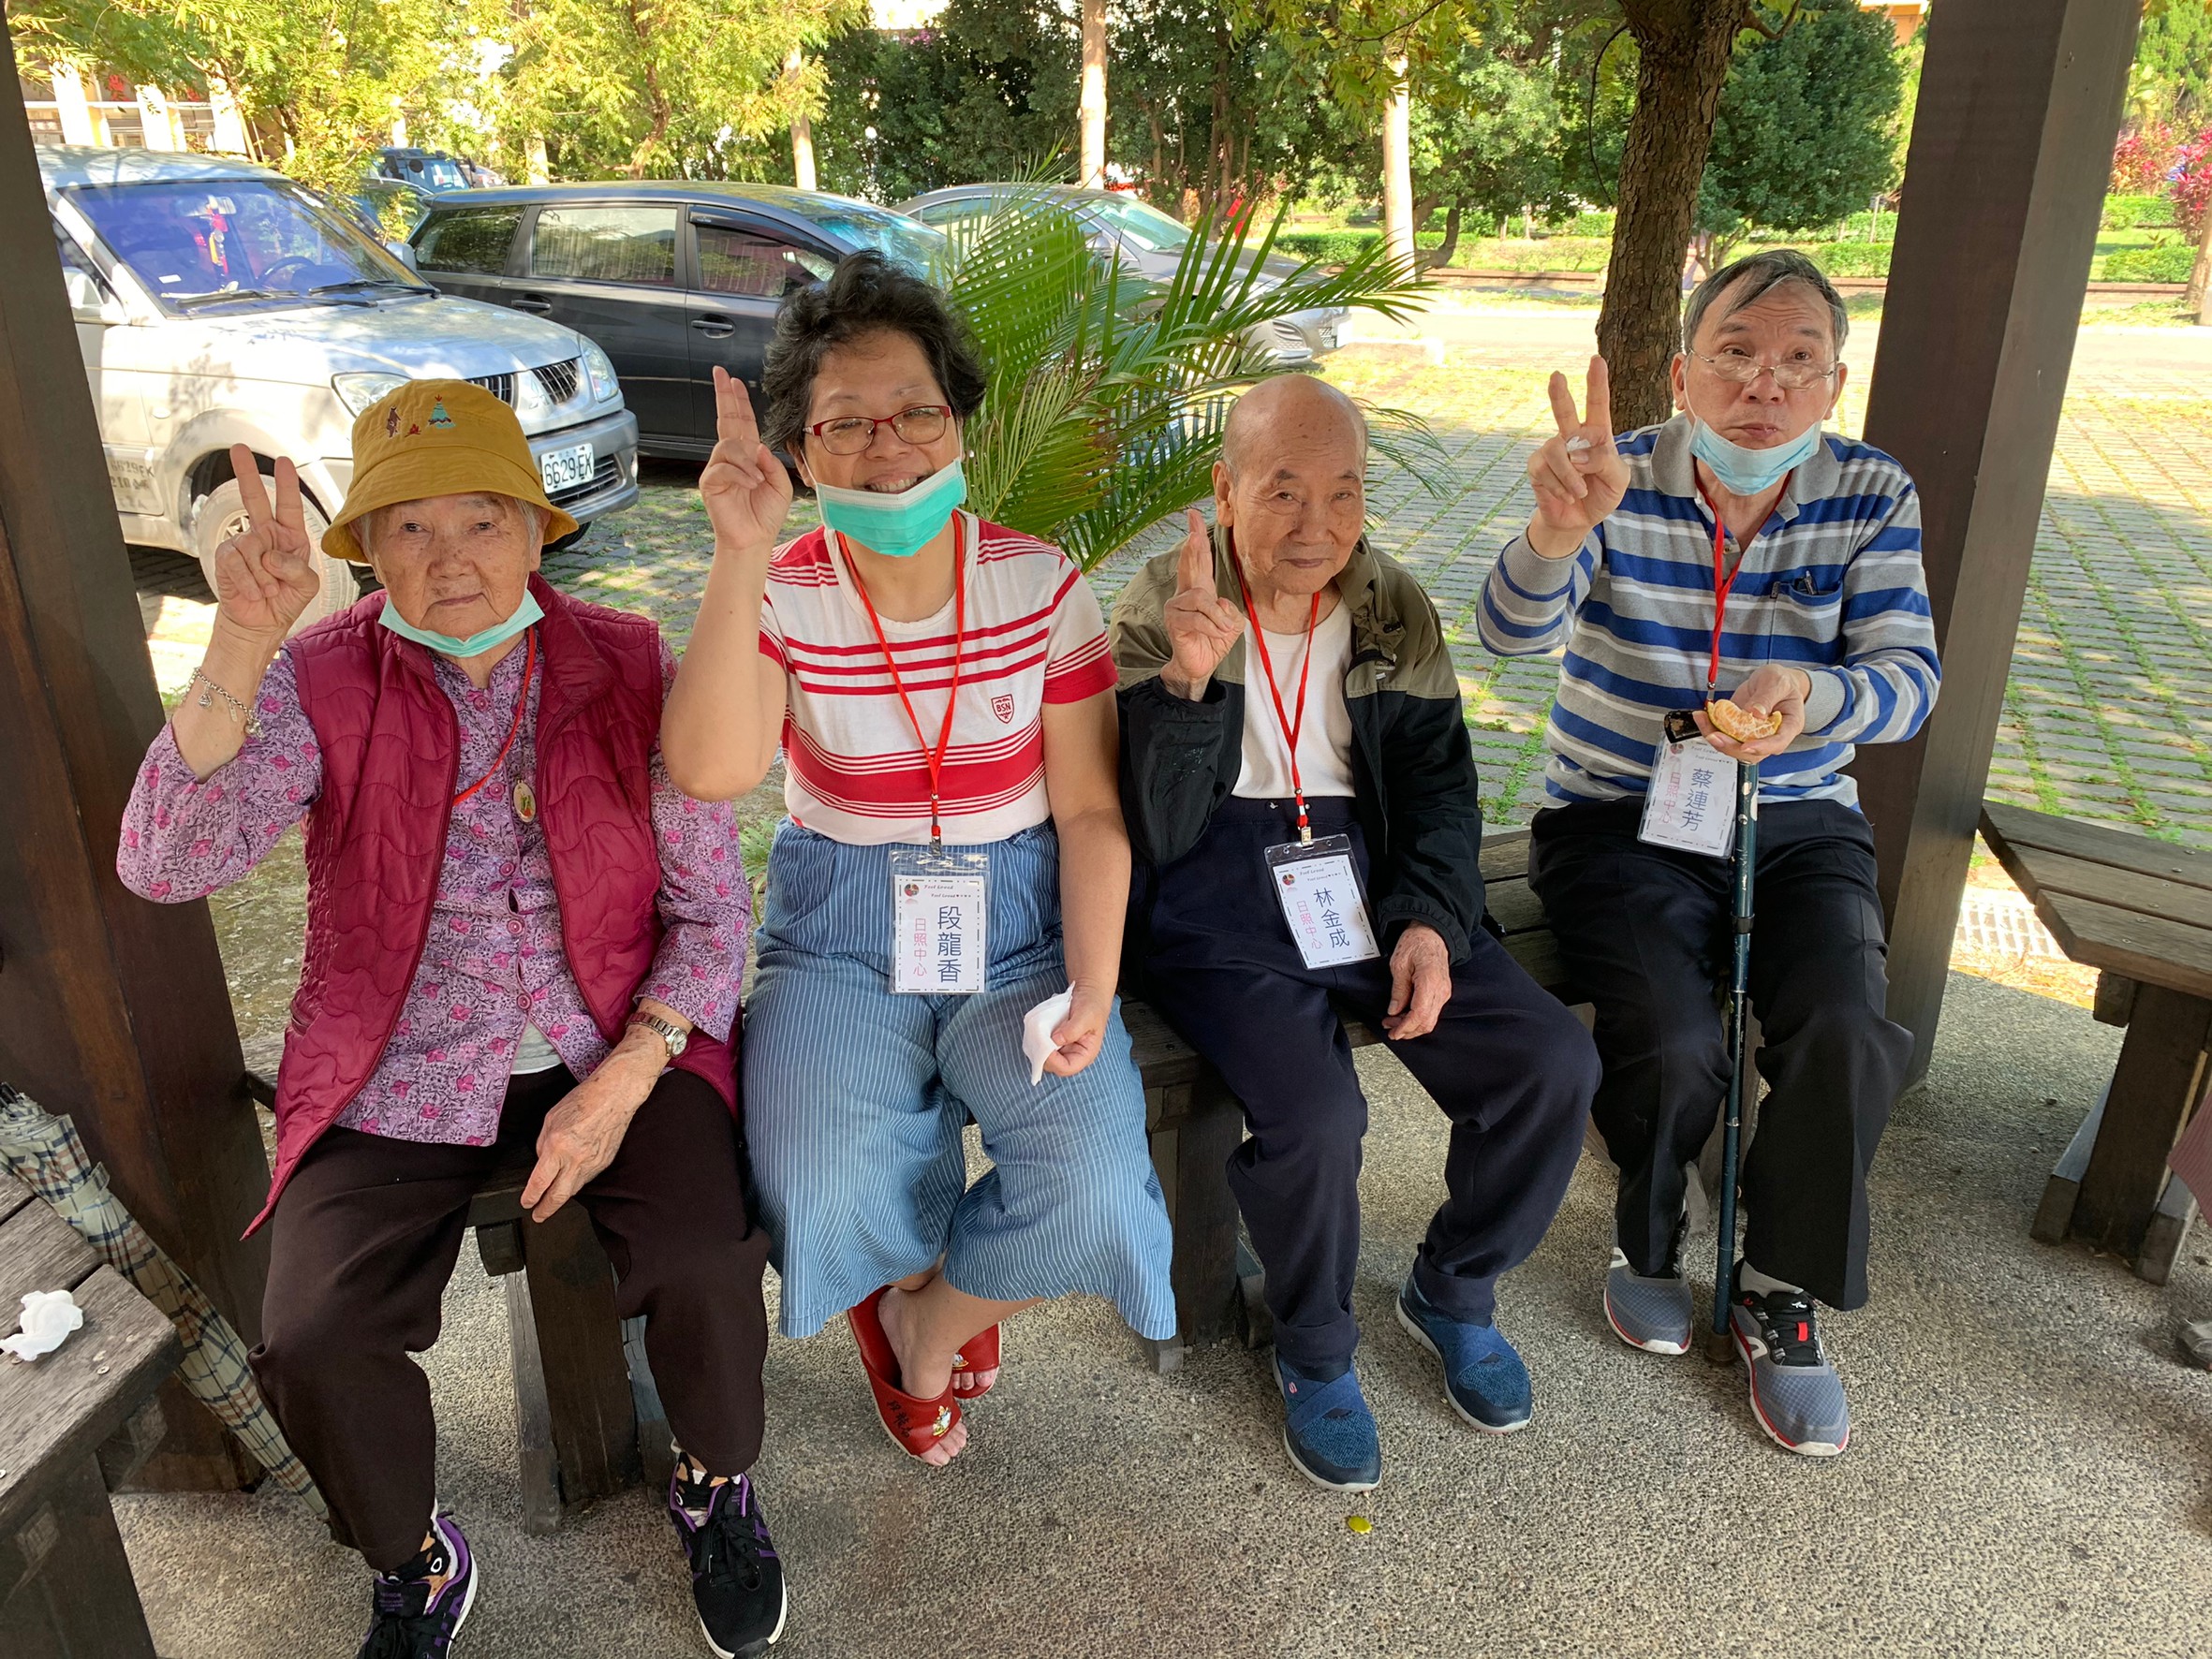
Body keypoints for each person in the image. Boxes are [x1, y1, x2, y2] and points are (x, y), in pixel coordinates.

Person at [116, 382, 784, 1659]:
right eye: (408, 531)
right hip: (397, 1070)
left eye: (480, 521)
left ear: (538, 535)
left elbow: (712, 918)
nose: (449, 558)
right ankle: (415, 1560)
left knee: (707, 1262)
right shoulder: (318, 678)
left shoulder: (635, 665)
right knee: (309, 1336)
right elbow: (164, 863)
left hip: (616, 1042)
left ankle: (711, 1481)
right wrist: (241, 642)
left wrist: (627, 1077)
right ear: (366, 555)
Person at [662, 251, 1174, 1466]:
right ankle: (916, 1267)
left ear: (959, 424)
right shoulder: (782, 594)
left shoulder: (1040, 588)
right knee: (814, 1177)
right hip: (839, 925)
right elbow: (710, 768)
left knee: (1098, 1183)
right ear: (799, 449)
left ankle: (924, 1323)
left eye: (915, 412)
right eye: (844, 422)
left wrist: (1093, 985)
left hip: (1018, 925)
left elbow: (1093, 815)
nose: (886, 445)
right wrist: (737, 554)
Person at [1477, 249, 1942, 1457]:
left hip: (1794, 812)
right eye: (1735, 353)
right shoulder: (1611, 474)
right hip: (1620, 813)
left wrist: (1813, 694)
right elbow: (1506, 632)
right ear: (1684, 369)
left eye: (1797, 362)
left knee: (1847, 1024)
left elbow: (1908, 678)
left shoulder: (1871, 491)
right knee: (1674, 1035)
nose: (1763, 385)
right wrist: (1549, 530)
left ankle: (1780, 1285)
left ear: (1833, 386)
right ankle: (1650, 1232)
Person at [1110, 374, 1599, 1493]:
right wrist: (1185, 688)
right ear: (1225, 490)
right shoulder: (1164, 602)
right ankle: (1314, 1347)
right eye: (1282, 492)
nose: (1316, 525)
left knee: (1549, 1062)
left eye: (1344, 493)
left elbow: (1436, 789)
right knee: (1319, 1113)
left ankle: (1454, 1284)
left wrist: (1429, 917)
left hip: (1360, 871)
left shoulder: (1389, 604)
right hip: (1215, 895)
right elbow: (1152, 827)